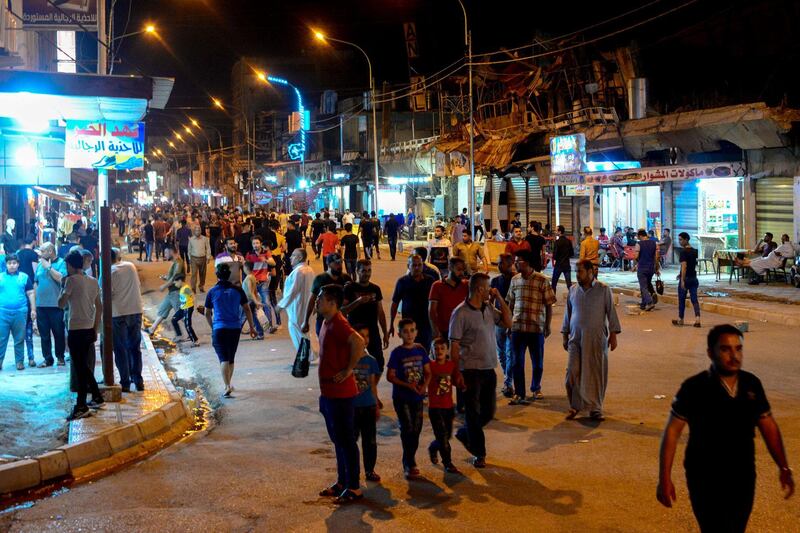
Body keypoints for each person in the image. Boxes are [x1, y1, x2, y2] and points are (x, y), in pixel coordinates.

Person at [657, 324, 795, 532]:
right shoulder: (694, 387)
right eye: (725, 349)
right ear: (710, 353)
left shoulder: (751, 384)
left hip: (743, 475)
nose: (734, 355)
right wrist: (664, 478)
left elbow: (769, 427)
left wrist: (784, 467)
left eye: (738, 349)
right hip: (704, 477)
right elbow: (672, 432)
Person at [450, 272, 512, 468]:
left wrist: (500, 298)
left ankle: (465, 433)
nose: (490, 291)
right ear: (479, 290)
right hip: (469, 370)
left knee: (487, 412)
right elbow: (454, 346)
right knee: (472, 413)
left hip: (488, 368)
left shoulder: (488, 309)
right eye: (487, 288)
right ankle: (480, 453)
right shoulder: (460, 313)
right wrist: (456, 373)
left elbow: (508, 322)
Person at [316, 284, 366, 504]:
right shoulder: (328, 322)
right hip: (329, 393)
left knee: (346, 440)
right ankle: (342, 481)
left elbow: (358, 341)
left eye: (320, 298)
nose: (317, 301)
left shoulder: (338, 324)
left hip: (341, 395)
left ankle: (354, 486)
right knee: (338, 440)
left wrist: (348, 370)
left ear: (331, 302)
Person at [561, 260, 621, 421]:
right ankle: (575, 406)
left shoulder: (603, 290)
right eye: (576, 272)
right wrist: (564, 334)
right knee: (572, 372)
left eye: (580, 272)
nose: (577, 275)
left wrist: (613, 335)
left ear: (590, 272)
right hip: (575, 337)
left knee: (595, 372)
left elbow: (611, 311)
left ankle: (595, 408)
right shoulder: (573, 290)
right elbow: (568, 314)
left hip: (596, 338)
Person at [506, 250, 556, 405]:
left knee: (538, 363)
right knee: (516, 362)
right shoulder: (515, 280)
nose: (515, 263)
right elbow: (510, 303)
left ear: (527, 262)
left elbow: (549, 305)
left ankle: (536, 388)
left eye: (518, 260)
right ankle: (519, 392)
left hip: (536, 329)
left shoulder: (542, 280)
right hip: (517, 328)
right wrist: (508, 324)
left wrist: (547, 325)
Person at [59, 250, 103, 420]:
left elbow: (61, 304)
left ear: (70, 265)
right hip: (89, 328)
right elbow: (99, 307)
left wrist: (63, 288)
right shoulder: (92, 281)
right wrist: (94, 327)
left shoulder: (70, 281)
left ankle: (81, 405)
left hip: (76, 328)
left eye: (67, 265)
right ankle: (96, 396)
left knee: (80, 367)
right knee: (83, 365)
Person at [386, 318, 431, 479]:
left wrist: (424, 386)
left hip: (417, 396)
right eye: (405, 331)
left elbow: (428, 371)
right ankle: (409, 462)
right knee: (407, 428)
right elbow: (390, 376)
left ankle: (409, 458)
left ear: (417, 332)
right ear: (399, 334)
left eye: (412, 330)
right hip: (401, 397)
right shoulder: (397, 353)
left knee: (416, 429)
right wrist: (407, 385)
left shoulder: (420, 350)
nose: (410, 334)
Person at [204, 262, 257, 398]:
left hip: (219, 329)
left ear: (217, 275)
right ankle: (228, 383)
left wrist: (213, 327)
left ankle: (227, 385)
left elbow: (207, 313)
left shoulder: (212, 291)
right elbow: (247, 309)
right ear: (229, 275)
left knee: (223, 358)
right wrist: (251, 327)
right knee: (231, 358)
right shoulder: (238, 290)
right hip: (235, 328)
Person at [342, 260, 389, 370]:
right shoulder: (350, 288)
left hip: (373, 331)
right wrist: (358, 301)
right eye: (363, 270)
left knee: (379, 364)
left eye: (369, 270)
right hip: (355, 331)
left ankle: (372, 386)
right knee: (354, 363)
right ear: (357, 271)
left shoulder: (375, 289)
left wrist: (385, 333)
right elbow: (343, 311)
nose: (367, 273)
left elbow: (380, 313)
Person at [110, 248, 145, 392]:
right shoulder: (130, 267)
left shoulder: (109, 272)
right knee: (134, 347)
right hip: (135, 311)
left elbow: (106, 293)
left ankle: (125, 382)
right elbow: (138, 285)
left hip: (118, 313)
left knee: (120, 349)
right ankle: (138, 380)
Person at [351, 324, 382, 483]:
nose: (364, 339)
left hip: (368, 405)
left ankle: (370, 470)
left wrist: (376, 404)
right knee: (351, 440)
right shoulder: (347, 359)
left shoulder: (371, 361)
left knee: (370, 441)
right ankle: (352, 471)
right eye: (360, 335)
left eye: (366, 335)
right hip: (352, 407)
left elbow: (372, 385)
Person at [426, 337, 462, 474]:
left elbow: (453, 382)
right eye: (436, 349)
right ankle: (448, 462)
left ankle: (433, 447)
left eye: (442, 348)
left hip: (448, 407)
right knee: (442, 436)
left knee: (446, 436)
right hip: (435, 408)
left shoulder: (451, 365)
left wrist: (461, 384)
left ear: (447, 350)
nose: (439, 351)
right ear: (432, 351)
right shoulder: (430, 366)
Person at [390, 254, 436, 350]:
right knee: (409, 351)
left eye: (419, 265)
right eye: (414, 265)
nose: (417, 268)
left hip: (426, 325)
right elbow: (395, 304)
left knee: (424, 352)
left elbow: (436, 303)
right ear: (408, 266)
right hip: (408, 326)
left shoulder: (430, 281)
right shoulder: (402, 282)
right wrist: (391, 324)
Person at [277, 248, 316, 356]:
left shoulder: (300, 271)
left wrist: (281, 305)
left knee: (296, 329)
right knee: (303, 330)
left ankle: (306, 355)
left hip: (298, 306)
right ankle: (309, 354)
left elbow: (293, 291)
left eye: (293, 255)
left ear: (299, 258)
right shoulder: (308, 269)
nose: (290, 257)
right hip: (303, 305)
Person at [34, 243, 68, 367]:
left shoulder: (61, 263)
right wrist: (35, 302)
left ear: (50, 251)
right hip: (41, 305)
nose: (40, 253)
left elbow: (61, 278)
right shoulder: (39, 265)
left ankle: (60, 357)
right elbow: (36, 282)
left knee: (58, 333)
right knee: (44, 334)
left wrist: (49, 267)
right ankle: (48, 358)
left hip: (56, 305)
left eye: (42, 251)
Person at [302, 253, 352, 337]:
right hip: (323, 321)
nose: (339, 266)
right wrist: (305, 321)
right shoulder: (320, 279)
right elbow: (311, 300)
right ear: (328, 264)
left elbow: (351, 299)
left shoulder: (346, 279)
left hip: (341, 321)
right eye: (336, 263)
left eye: (340, 263)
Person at [0, 254, 36, 371]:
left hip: (20, 312)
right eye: (9, 263)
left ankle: (19, 362)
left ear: (18, 264)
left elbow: (31, 293)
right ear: (6, 264)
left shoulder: (24, 277)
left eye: (14, 263)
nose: (12, 265)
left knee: (19, 338)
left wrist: (33, 309)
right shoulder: (0, 277)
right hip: (2, 313)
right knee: (1, 339)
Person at [491, 253, 515, 398]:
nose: (499, 266)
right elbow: (491, 302)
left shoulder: (516, 280)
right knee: (501, 352)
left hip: (513, 321)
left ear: (510, 264)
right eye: (499, 263)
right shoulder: (495, 281)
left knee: (510, 352)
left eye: (502, 263)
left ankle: (508, 381)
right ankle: (508, 379)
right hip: (499, 322)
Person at [147, 244, 185, 334]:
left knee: (181, 315)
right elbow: (172, 276)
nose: (165, 255)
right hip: (172, 292)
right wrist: (165, 277)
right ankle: (152, 329)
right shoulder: (176, 262)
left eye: (166, 252)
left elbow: (175, 278)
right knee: (163, 309)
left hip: (176, 292)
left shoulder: (178, 263)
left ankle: (191, 335)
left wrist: (164, 286)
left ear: (171, 251)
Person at [428, 257, 469, 341]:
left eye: (463, 270)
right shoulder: (437, 286)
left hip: (462, 332)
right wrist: (436, 331)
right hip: (443, 332)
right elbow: (432, 311)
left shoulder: (466, 285)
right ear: (450, 268)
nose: (461, 273)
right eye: (459, 269)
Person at [245, 236, 277, 333]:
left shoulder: (266, 252)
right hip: (253, 282)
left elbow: (273, 263)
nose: (255, 245)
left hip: (263, 283)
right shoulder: (249, 255)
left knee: (266, 303)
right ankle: (252, 326)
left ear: (261, 243)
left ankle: (269, 326)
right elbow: (246, 268)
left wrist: (265, 260)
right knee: (251, 305)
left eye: (257, 243)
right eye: (254, 243)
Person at [672, 232, 701, 328]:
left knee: (681, 299)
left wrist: (682, 279)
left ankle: (681, 319)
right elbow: (691, 265)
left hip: (686, 278)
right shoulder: (694, 251)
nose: (679, 241)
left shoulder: (683, 252)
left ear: (686, 240)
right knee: (694, 299)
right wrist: (679, 274)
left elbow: (684, 266)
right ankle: (697, 319)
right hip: (693, 278)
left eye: (680, 239)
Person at [634, 228, 660, 311]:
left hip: (642, 267)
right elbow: (656, 257)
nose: (637, 238)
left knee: (643, 286)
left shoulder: (639, 244)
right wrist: (656, 267)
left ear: (641, 236)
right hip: (651, 268)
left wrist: (637, 263)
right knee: (646, 284)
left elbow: (636, 256)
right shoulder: (654, 243)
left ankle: (649, 302)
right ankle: (643, 304)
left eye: (638, 236)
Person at [172, 275, 199, 346]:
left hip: (188, 308)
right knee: (174, 319)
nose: (175, 285)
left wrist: (195, 308)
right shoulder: (182, 288)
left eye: (175, 283)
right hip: (183, 308)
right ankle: (179, 335)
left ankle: (195, 341)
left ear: (180, 281)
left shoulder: (186, 288)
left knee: (188, 325)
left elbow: (193, 297)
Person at [551, 225, 574, 298]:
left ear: (559, 231)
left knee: (554, 282)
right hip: (566, 264)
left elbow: (554, 255)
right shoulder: (568, 241)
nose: (555, 232)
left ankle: (553, 298)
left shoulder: (557, 242)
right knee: (569, 283)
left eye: (556, 230)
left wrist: (556, 258)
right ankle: (572, 298)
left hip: (558, 265)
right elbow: (572, 253)